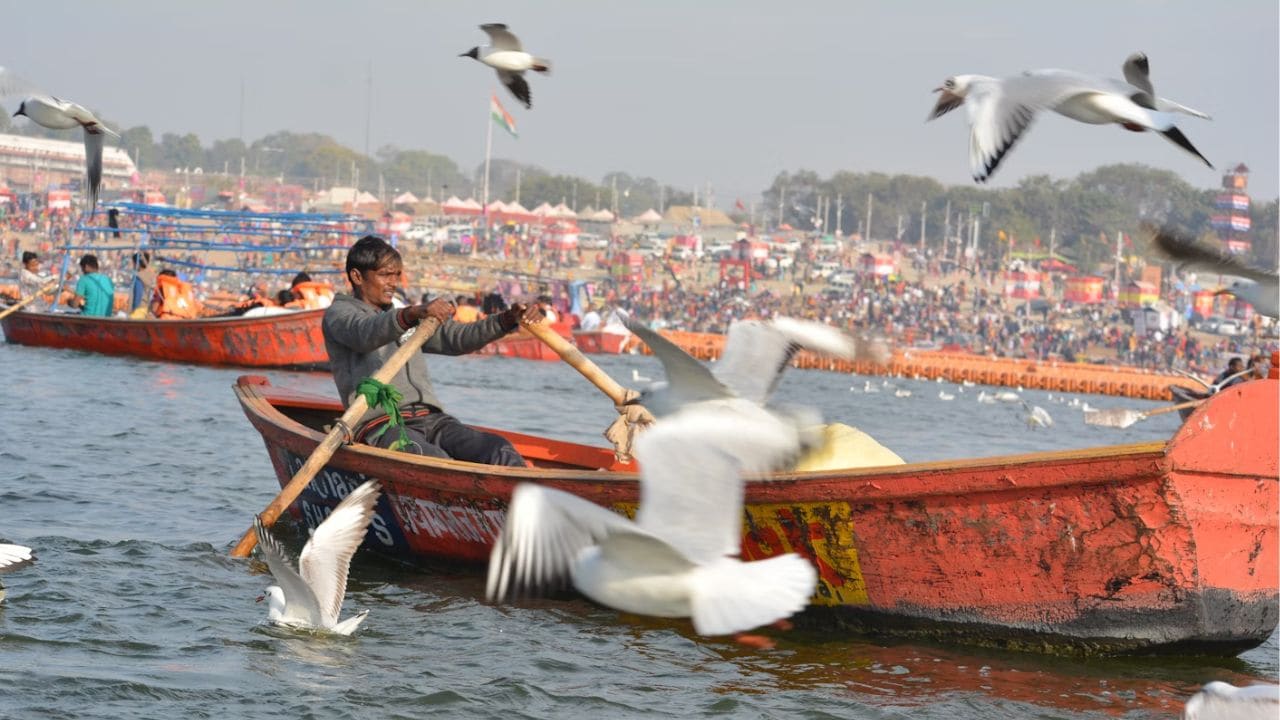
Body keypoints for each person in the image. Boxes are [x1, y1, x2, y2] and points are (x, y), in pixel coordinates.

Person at [323, 235, 543, 466]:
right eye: (385, 275)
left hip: (432, 419)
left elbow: (456, 339)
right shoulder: (340, 313)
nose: (393, 282)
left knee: (498, 449)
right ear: (357, 276)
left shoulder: (401, 311)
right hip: (381, 425)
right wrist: (409, 315)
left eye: (397, 275)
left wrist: (507, 319)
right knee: (431, 460)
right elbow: (363, 334)